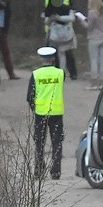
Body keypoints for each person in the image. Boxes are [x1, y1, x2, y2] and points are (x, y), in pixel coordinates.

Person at [27, 47, 65, 180]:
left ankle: (38, 170)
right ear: (54, 58)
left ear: (41, 59)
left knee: (39, 142)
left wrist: (35, 108)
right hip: (57, 112)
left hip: (41, 113)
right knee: (57, 142)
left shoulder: (36, 74)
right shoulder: (60, 73)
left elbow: (29, 97)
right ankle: (55, 171)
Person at [43, 0, 77, 80]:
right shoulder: (64, 8)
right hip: (62, 34)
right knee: (61, 54)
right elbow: (72, 18)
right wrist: (55, 18)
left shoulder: (54, 8)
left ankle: (61, 73)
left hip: (59, 34)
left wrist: (57, 18)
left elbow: (46, 21)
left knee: (61, 54)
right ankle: (61, 73)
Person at [80, 0, 103, 90]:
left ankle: (94, 83)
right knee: (101, 61)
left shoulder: (92, 12)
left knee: (94, 60)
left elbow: (89, 27)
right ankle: (102, 81)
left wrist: (83, 22)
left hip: (94, 38)